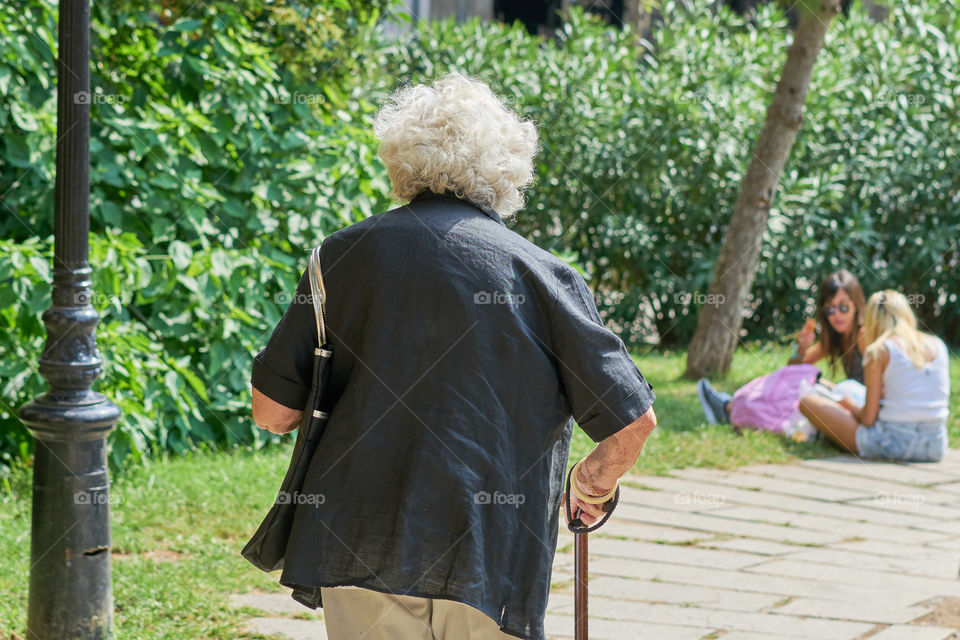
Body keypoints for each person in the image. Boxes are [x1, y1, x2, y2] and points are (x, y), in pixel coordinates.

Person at [249, 71, 657, 640]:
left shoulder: (337, 259)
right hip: (487, 549)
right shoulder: (541, 276)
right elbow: (632, 422)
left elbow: (272, 413)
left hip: (355, 537)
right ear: (508, 169)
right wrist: (593, 483)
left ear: (399, 158)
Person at [697, 270, 868, 428]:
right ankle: (731, 406)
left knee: (807, 386)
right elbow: (793, 371)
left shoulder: (863, 335)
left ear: (857, 306)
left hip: (864, 408)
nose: (837, 314)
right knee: (799, 382)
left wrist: (829, 388)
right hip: (854, 404)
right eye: (830, 309)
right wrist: (801, 348)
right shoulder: (834, 339)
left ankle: (728, 407)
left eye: (844, 307)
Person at [798, 290, 950, 460]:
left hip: (892, 444)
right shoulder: (938, 345)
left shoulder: (879, 351)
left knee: (807, 401)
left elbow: (868, 419)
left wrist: (850, 406)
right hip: (935, 445)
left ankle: (826, 434)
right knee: (853, 389)